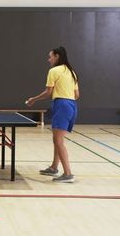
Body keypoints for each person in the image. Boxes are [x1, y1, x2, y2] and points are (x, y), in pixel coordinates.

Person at [26, 46, 79, 183]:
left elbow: (48, 92)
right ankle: (54, 167)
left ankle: (68, 174)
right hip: (72, 106)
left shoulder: (54, 71)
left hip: (62, 105)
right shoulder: (72, 72)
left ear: (57, 56)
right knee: (57, 139)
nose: (49, 59)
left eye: (50, 56)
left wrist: (33, 99)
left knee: (58, 141)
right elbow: (77, 95)